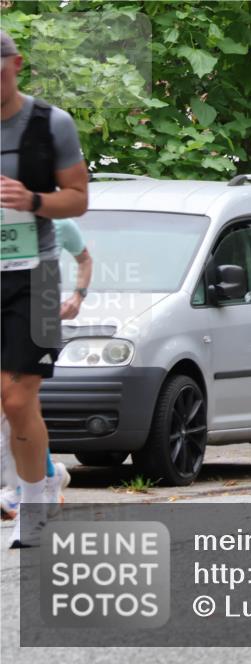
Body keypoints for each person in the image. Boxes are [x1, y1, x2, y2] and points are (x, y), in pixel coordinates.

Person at [1, 32, 88, 547]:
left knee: (17, 399)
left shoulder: (50, 123)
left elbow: (77, 198)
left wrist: (32, 200)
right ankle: (42, 479)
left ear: (16, 64)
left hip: (35, 275)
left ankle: (33, 500)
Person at [1, 218, 92, 519]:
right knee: (17, 409)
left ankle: (22, 489)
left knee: (16, 406)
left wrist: (78, 296)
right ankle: (48, 476)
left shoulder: (60, 223)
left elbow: (85, 259)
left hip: (35, 313)